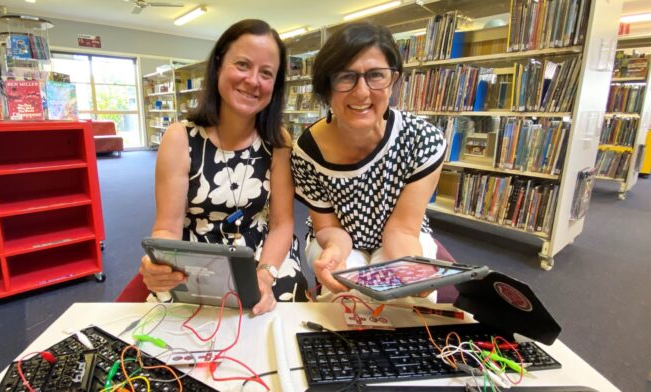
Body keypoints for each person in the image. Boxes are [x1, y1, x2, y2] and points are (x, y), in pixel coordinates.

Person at [139, 19, 308, 314]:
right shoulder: (180, 137)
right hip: (198, 253)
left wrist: (265, 275)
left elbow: (282, 224)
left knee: (282, 310)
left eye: (266, 73)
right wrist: (158, 262)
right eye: (242, 65)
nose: (254, 81)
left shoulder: (278, 140)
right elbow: (167, 227)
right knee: (176, 320)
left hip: (262, 250)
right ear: (218, 66)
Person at [291, 22, 447, 297]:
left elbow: (403, 229)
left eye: (376, 75)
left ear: (394, 80)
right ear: (326, 87)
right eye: (345, 76)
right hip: (338, 236)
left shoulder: (424, 140)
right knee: (345, 298)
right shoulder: (307, 150)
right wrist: (334, 252)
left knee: (407, 300)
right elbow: (328, 227)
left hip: (401, 236)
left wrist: (414, 274)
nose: (362, 92)